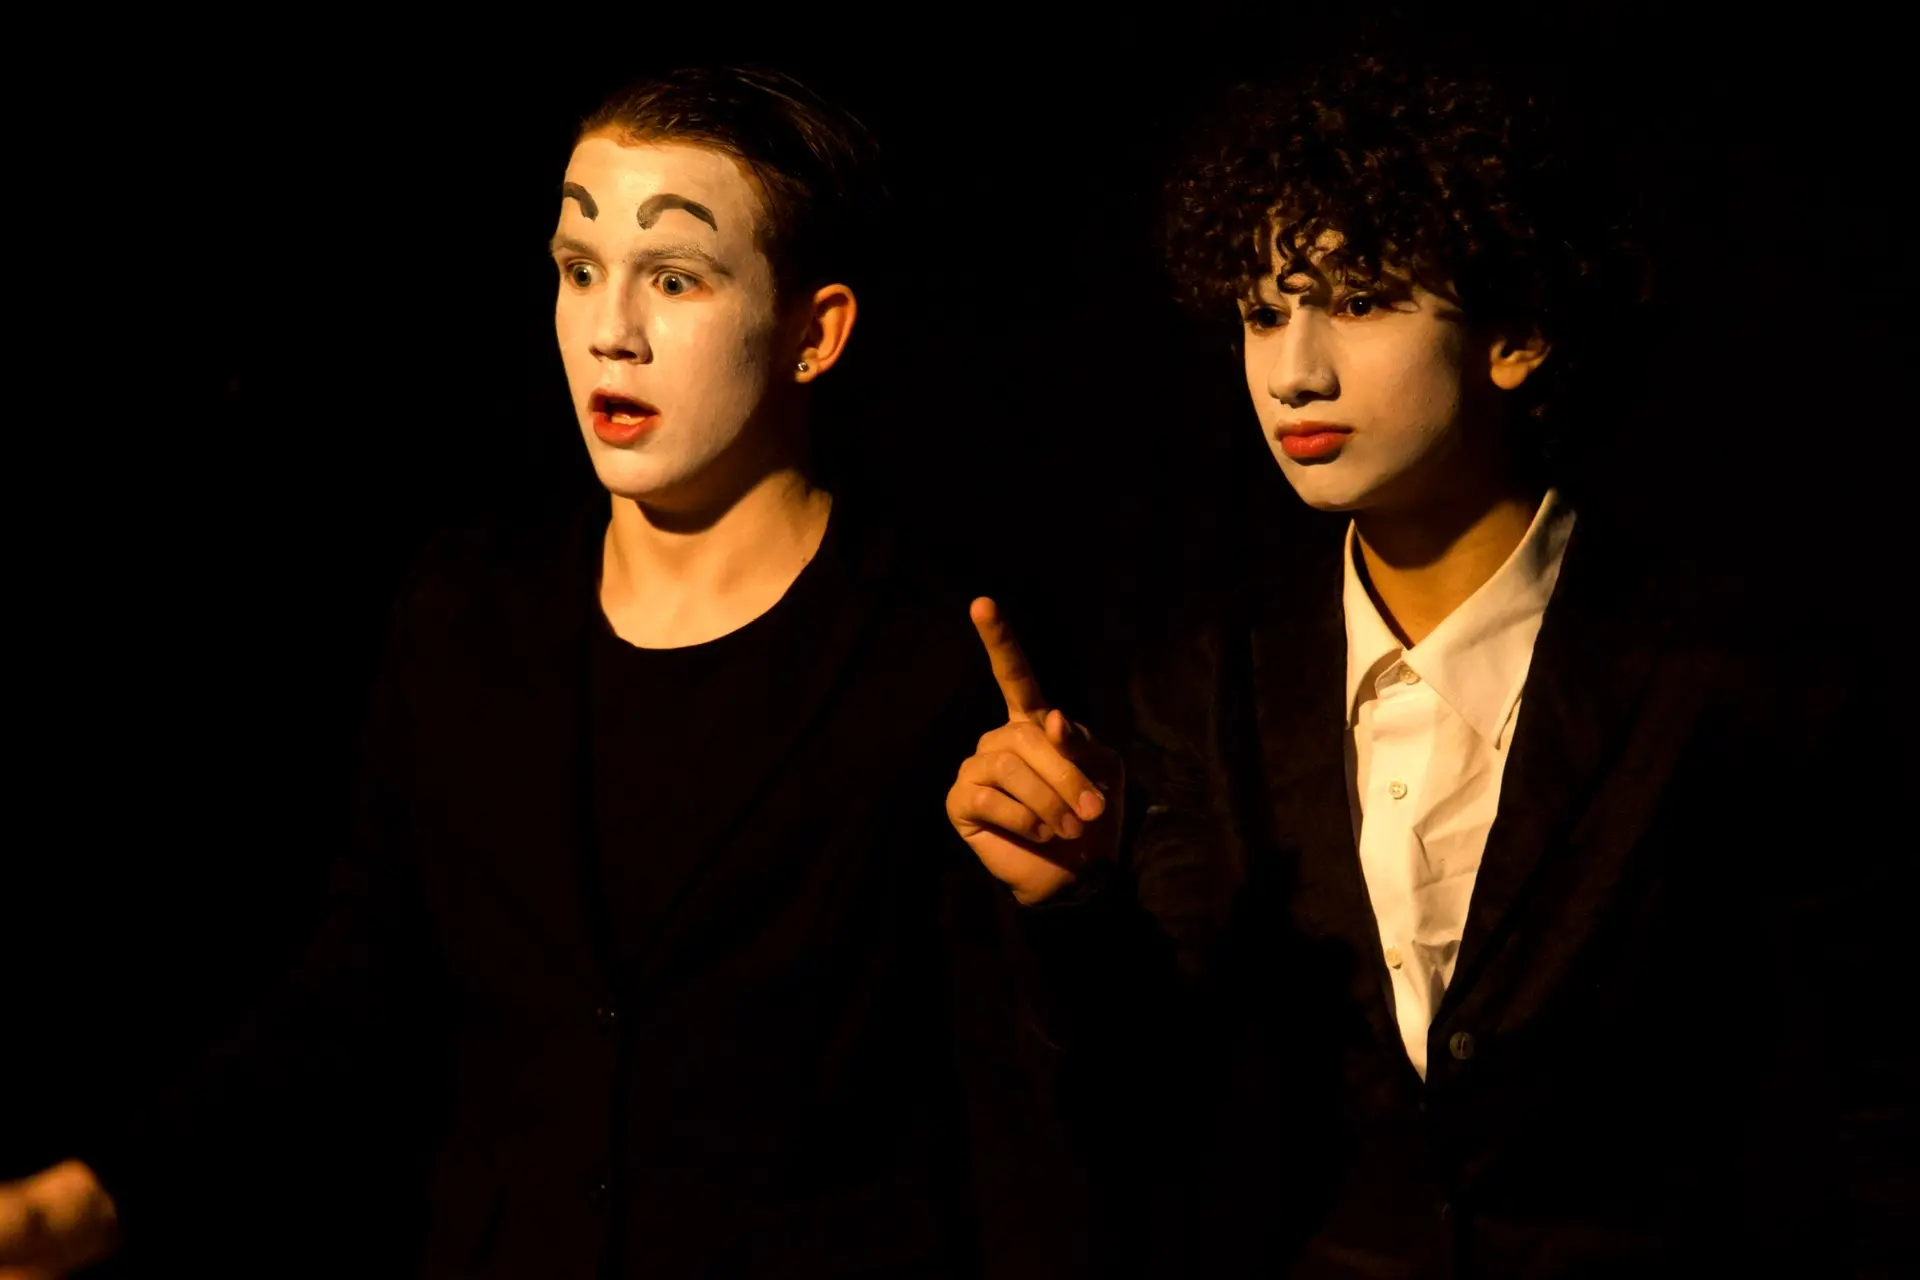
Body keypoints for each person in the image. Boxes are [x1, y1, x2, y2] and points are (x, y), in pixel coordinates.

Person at [0, 65, 1029, 1278]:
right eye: (579, 267)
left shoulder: (928, 652)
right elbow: (359, 987)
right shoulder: (470, 613)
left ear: (816, 331)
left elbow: (1029, 1102)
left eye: (674, 277)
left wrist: (1076, 903)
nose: (608, 329)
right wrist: (89, 1199)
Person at [946, 42, 1909, 1275]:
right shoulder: (1208, 694)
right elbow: (1153, 1117)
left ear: (1516, 334)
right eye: (1262, 312)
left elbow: (1878, 1096)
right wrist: (1071, 903)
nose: (1294, 371)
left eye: (1359, 301)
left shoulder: (1733, 678)